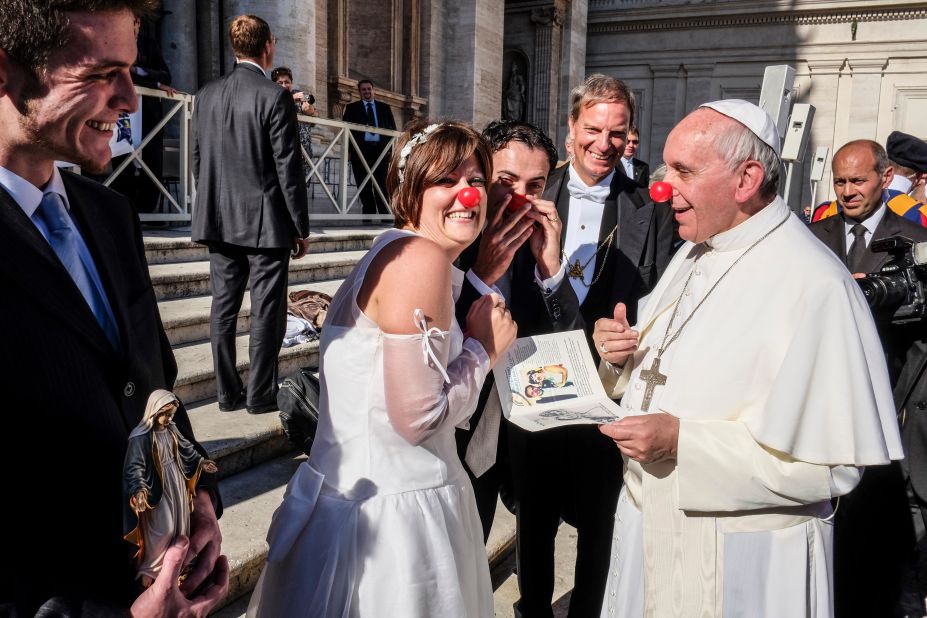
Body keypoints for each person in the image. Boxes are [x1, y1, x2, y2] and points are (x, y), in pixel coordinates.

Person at [592, 99, 902, 617]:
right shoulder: (697, 250)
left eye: (683, 171)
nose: (663, 187)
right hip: (650, 525)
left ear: (746, 178)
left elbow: (831, 468)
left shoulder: (814, 284)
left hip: (743, 558)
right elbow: (660, 366)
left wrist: (680, 441)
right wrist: (619, 357)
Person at [0, 1, 227, 615]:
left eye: (130, 71)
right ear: (5, 73)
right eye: (102, 75)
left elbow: (157, 393)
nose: (132, 100)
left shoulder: (109, 213)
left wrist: (198, 496)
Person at [247, 120, 517, 617]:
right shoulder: (419, 258)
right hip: (396, 520)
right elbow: (417, 418)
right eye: (446, 180)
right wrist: (483, 349)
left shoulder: (391, 252)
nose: (466, 194)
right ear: (408, 189)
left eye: (476, 180)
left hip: (352, 501)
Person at [502, 74, 674, 618]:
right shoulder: (530, 191)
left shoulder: (651, 207)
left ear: (629, 137)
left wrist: (629, 339)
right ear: (571, 127)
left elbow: (660, 296)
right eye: (593, 129)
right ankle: (533, 607)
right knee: (534, 515)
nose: (604, 143)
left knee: (601, 519)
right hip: (535, 382)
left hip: (607, 389)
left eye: (616, 132)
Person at [808, 140, 927, 617]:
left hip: (891, 398)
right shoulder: (814, 234)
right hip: (826, 399)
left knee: (881, 536)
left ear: (884, 176)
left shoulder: (914, 237)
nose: (848, 191)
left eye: (858, 180)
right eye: (840, 181)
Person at [192, 14, 310, 415]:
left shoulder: (205, 94)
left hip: (218, 217)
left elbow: (197, 159)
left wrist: (211, 203)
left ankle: (227, 394)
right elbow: (288, 168)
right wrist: (301, 227)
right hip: (265, 224)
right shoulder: (273, 95)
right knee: (266, 311)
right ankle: (259, 395)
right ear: (268, 46)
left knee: (222, 309)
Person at [452, 119, 561, 542]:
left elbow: (559, 343)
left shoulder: (540, 245)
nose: (520, 198)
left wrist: (551, 272)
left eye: (534, 187)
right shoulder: (451, 235)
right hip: (452, 432)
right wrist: (480, 272)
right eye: (507, 181)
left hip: (508, 438)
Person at [124, 390, 219, 588]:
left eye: (171, 414)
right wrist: (140, 489)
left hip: (175, 480)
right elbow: (134, 467)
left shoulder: (171, 429)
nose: (168, 419)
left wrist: (201, 463)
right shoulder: (140, 437)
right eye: (165, 414)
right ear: (154, 411)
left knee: (179, 526)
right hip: (156, 488)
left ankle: (179, 568)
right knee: (164, 528)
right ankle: (151, 569)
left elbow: (187, 448)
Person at [342, 79, 397, 217]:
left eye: (368, 89)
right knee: (363, 185)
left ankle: (384, 215)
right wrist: (349, 151)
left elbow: (393, 129)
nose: (366, 92)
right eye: (363, 90)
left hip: (381, 151)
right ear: (359, 92)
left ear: (373, 90)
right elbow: (346, 131)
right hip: (360, 151)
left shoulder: (384, 107)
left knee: (382, 184)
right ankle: (368, 215)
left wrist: (391, 150)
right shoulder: (351, 108)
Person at [271, 65, 316, 179]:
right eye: (279, 82)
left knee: (302, 188)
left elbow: (311, 105)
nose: (284, 85)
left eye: (287, 82)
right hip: (280, 151)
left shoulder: (297, 93)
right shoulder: (271, 97)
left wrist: (310, 110)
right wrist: (292, 98)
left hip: (302, 150)